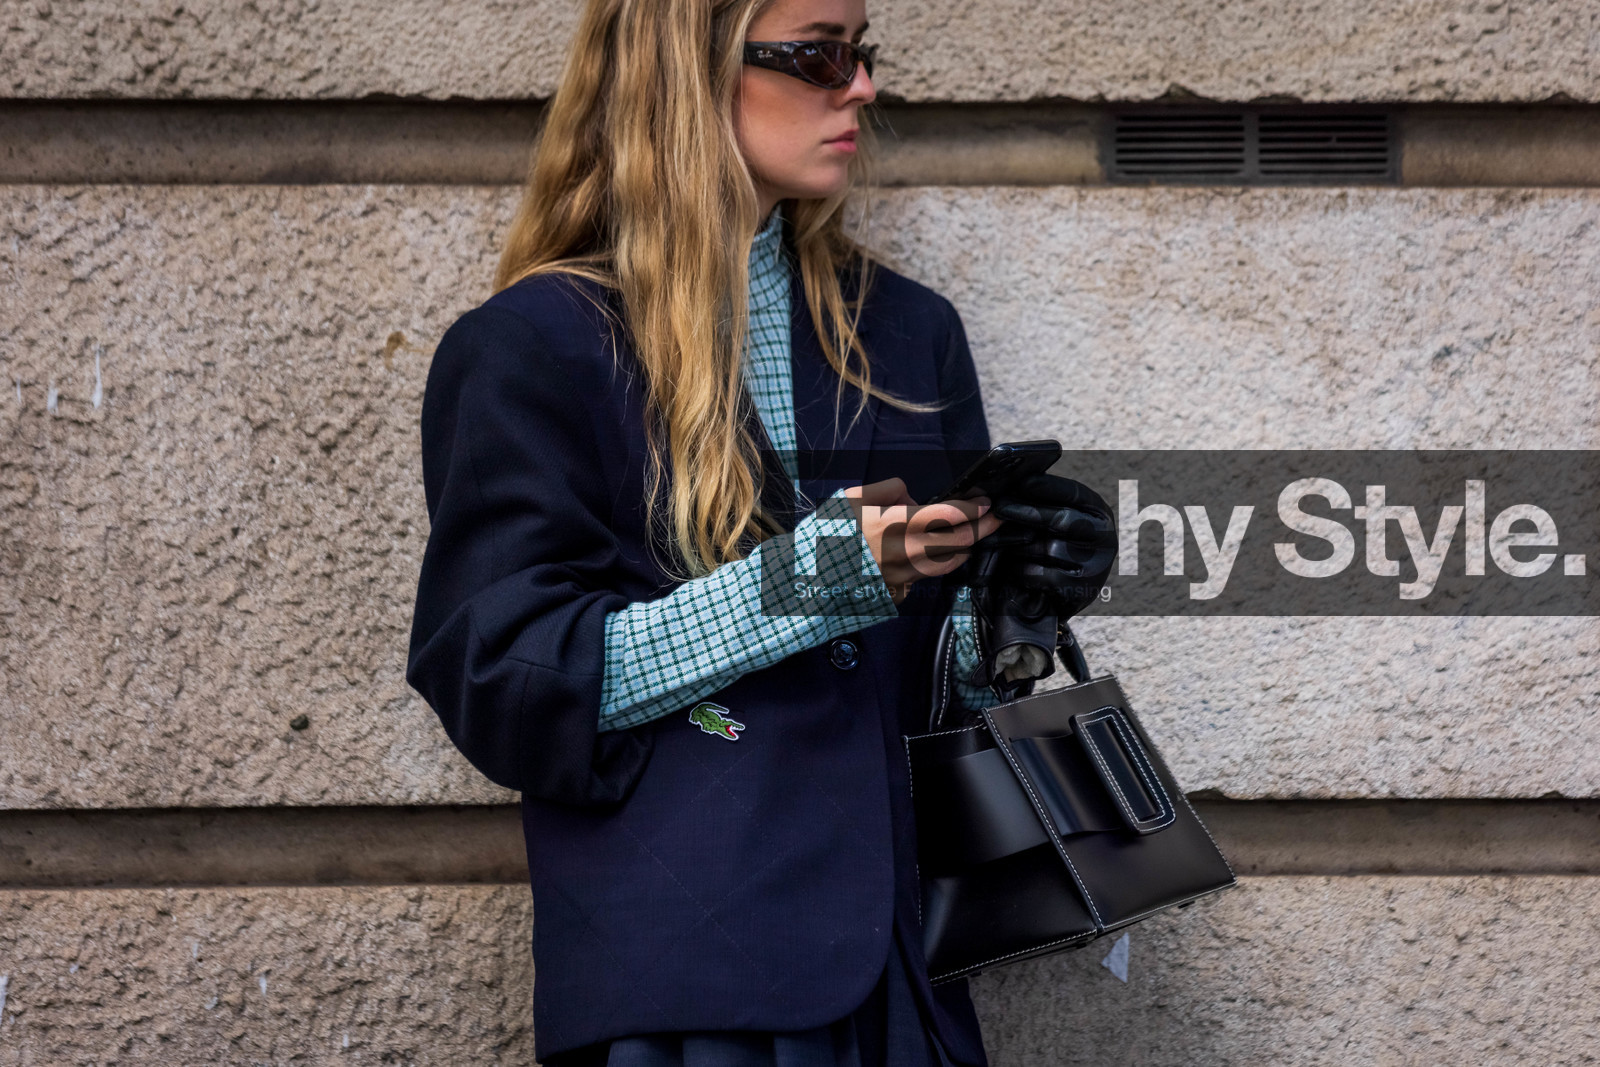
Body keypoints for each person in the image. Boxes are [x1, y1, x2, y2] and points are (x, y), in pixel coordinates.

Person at [407, 1, 1112, 1063]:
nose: (860, 88)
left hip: (902, 976)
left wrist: (1007, 613)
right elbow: (510, 680)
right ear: (686, 67)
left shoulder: (910, 333)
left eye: (862, 53)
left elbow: (917, 696)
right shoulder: (533, 345)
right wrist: (814, 581)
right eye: (819, 53)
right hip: (690, 982)